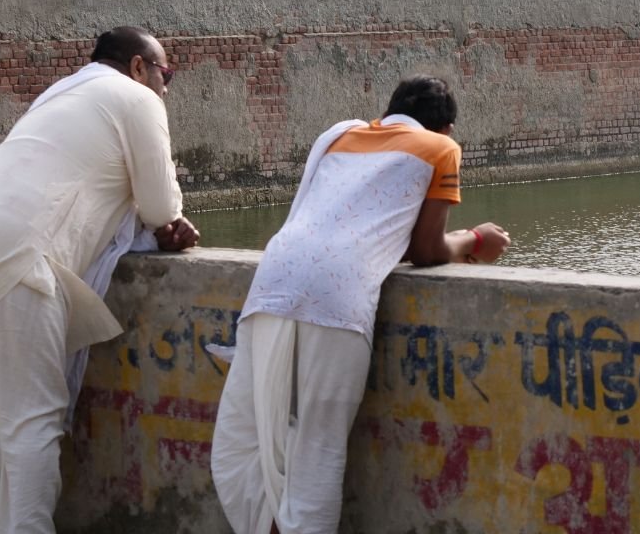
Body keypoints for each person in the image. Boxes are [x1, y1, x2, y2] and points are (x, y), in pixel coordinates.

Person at [0, 25, 199, 534]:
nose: (167, 86)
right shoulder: (137, 99)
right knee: (31, 426)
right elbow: (162, 205)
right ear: (140, 67)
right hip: (19, 262)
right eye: (167, 74)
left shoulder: (63, 90)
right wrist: (169, 221)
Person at [210, 75, 510, 534]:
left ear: (388, 111)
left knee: (243, 442)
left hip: (273, 283)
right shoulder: (440, 149)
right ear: (446, 127)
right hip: (339, 300)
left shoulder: (342, 136)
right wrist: (475, 240)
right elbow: (426, 250)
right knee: (317, 453)